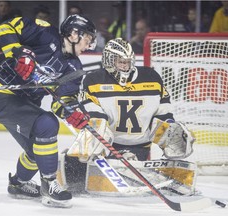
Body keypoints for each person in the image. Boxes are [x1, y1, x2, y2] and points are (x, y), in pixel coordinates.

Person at [0, 14, 97, 208]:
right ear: (73, 33)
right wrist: (18, 53)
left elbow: (61, 101)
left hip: (22, 102)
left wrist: (72, 112)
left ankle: (19, 184)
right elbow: (2, 29)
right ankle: (49, 184)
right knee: (47, 124)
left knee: (38, 152)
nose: (89, 45)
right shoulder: (44, 33)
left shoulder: (74, 68)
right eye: (88, 39)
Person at [60, 38, 195, 193]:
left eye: (127, 62)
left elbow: (164, 114)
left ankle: (171, 174)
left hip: (140, 145)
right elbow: (95, 115)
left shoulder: (151, 77)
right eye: (120, 62)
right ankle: (78, 171)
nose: (125, 66)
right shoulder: (93, 80)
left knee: (175, 131)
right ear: (109, 61)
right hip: (109, 144)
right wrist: (101, 150)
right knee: (95, 126)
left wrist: (172, 130)